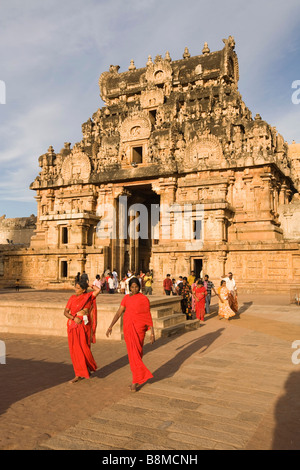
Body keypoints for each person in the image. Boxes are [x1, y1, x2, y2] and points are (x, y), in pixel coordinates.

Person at [106, 277, 155, 392]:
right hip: (129, 329)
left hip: (139, 330)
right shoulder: (126, 298)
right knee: (133, 357)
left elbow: (148, 316)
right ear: (129, 287)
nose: (134, 289)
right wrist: (110, 326)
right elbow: (119, 312)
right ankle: (136, 379)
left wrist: (152, 333)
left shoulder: (144, 299)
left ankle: (135, 381)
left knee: (136, 356)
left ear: (140, 287)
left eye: (136, 287)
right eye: (132, 287)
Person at [64, 279, 101, 383]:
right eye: (75, 287)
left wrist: (89, 284)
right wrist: (73, 318)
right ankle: (78, 374)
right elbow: (65, 312)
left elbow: (98, 290)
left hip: (84, 326)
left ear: (84, 290)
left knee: (85, 348)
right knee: (76, 350)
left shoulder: (88, 297)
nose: (76, 289)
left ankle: (87, 368)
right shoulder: (72, 298)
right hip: (73, 325)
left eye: (78, 288)